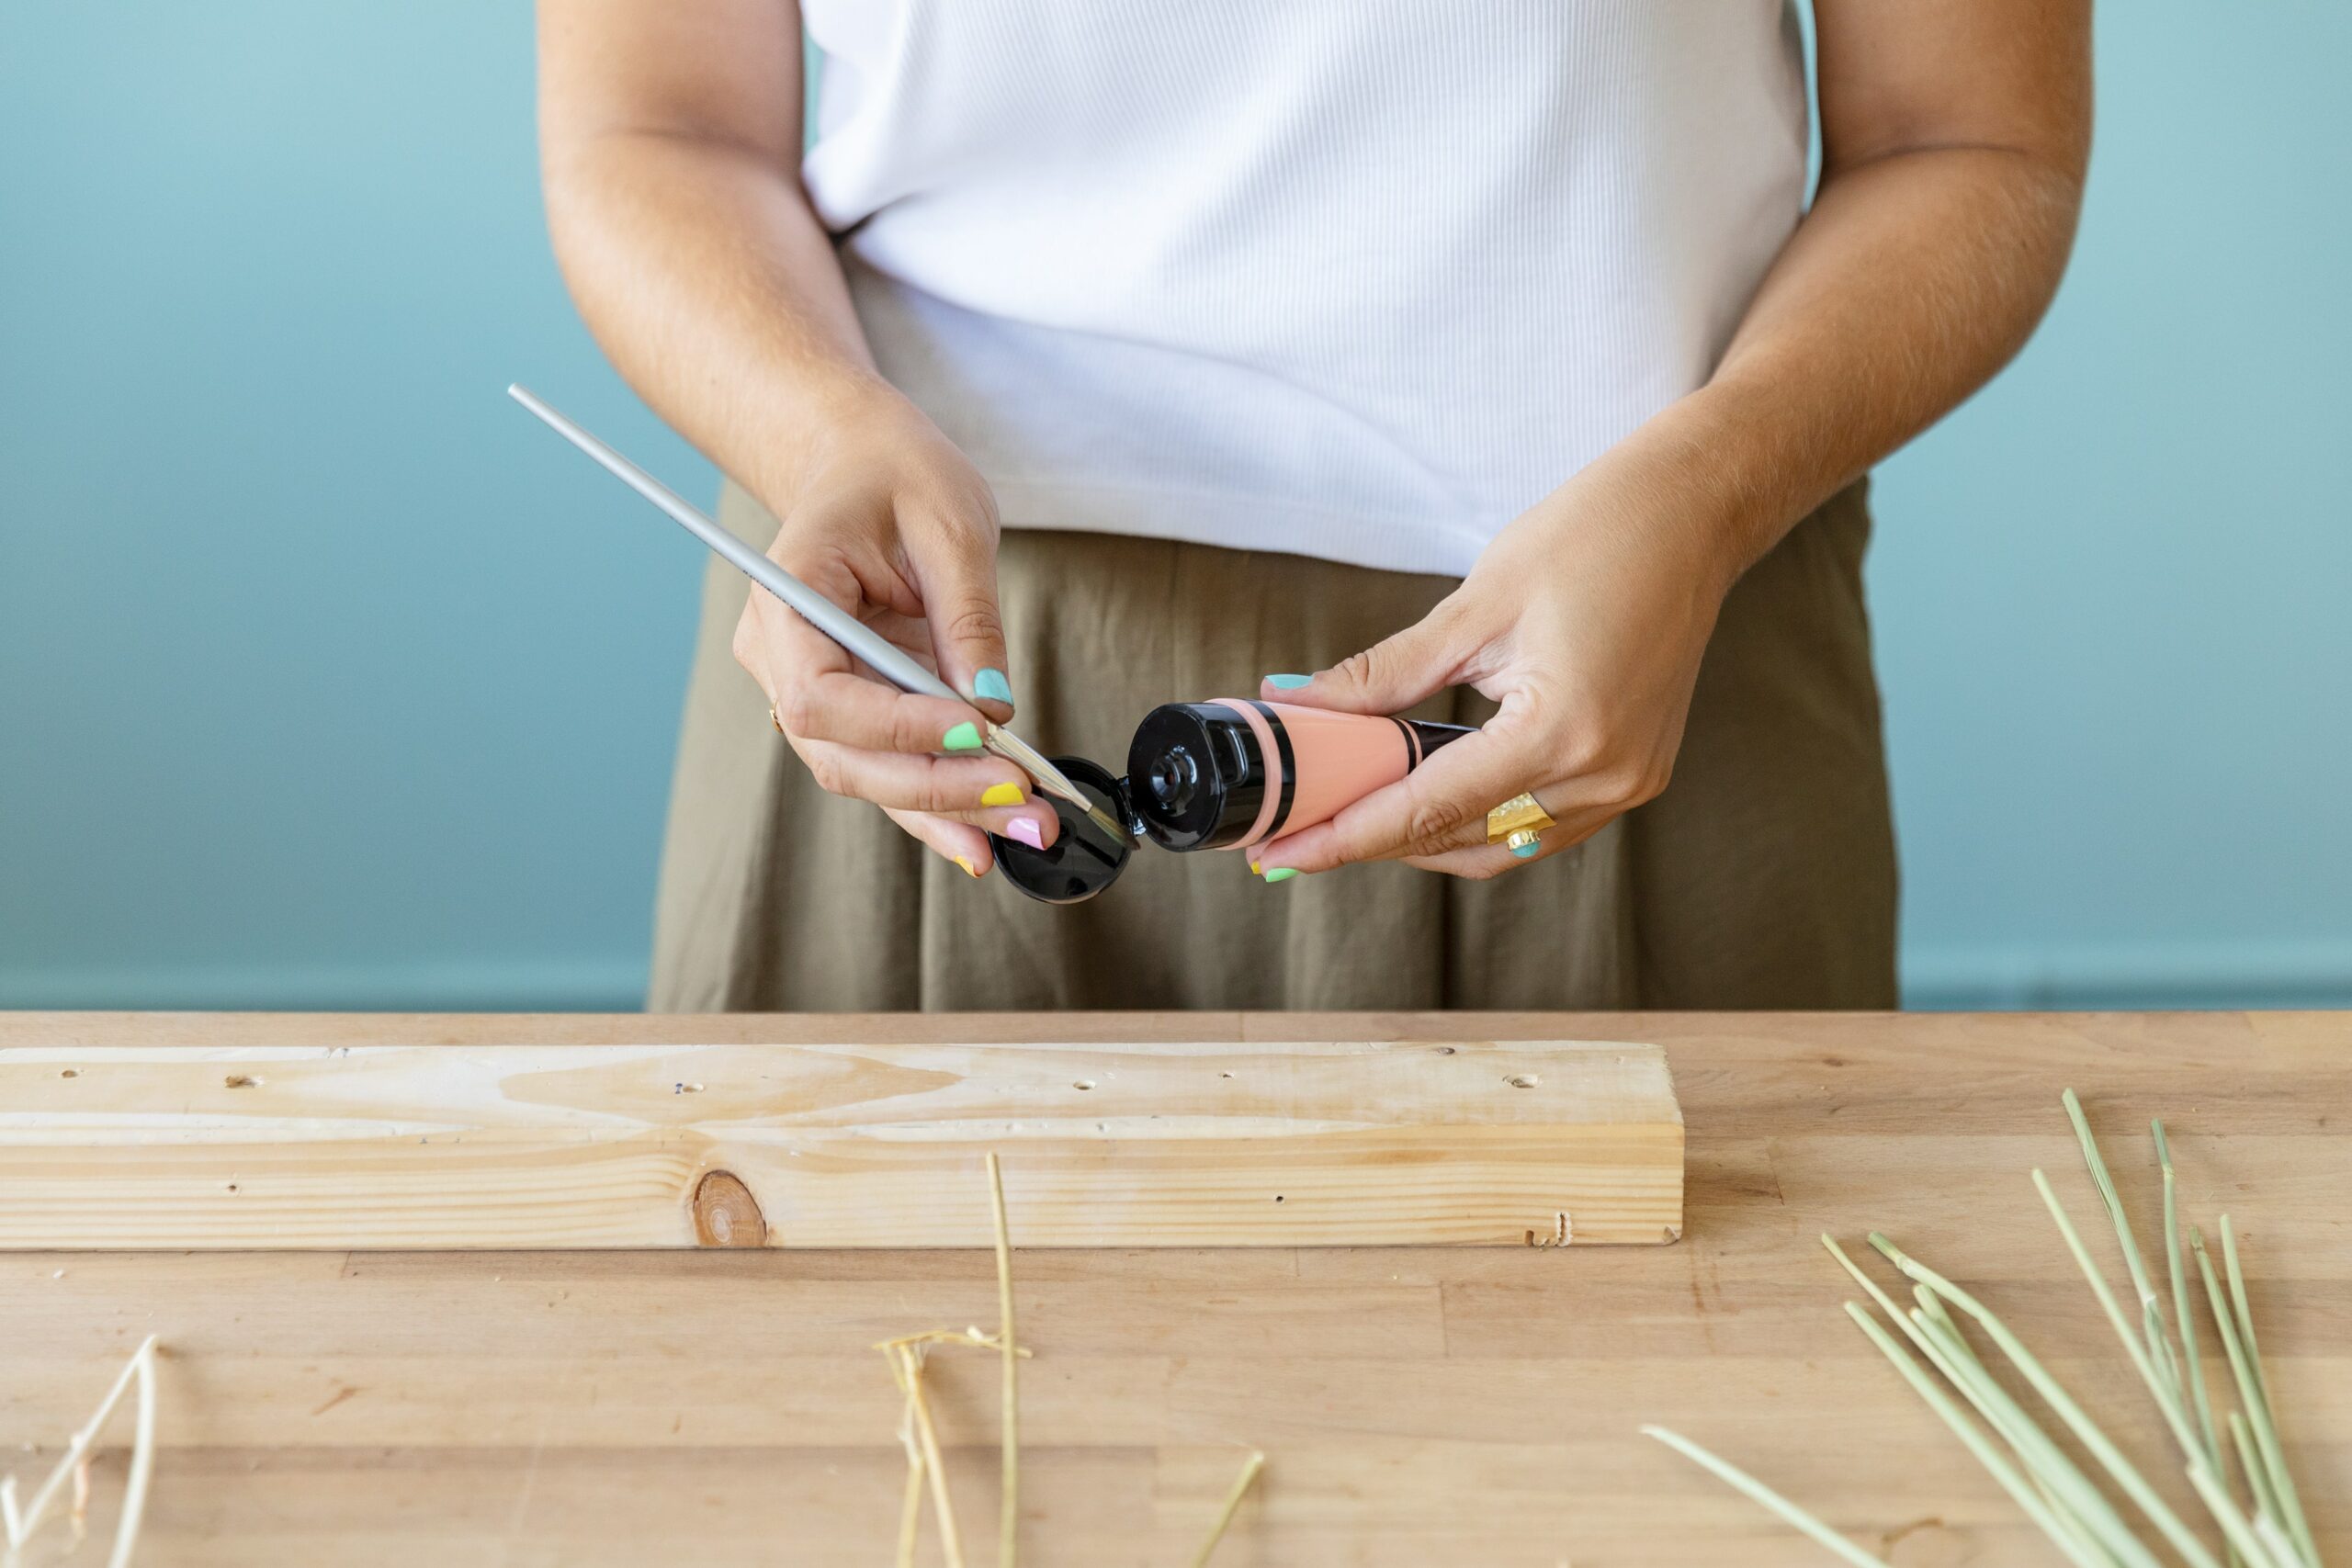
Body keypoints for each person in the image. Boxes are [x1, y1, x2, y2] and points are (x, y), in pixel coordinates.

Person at [537, 2, 2090, 1011]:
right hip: (929, 675)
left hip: (1638, 656)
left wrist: (1712, 484)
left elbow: (1971, 138)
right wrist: (815, 432)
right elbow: (656, 125)